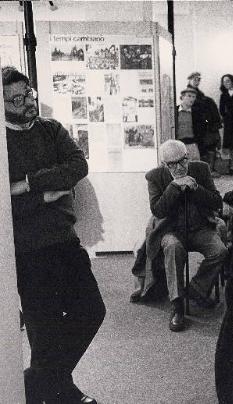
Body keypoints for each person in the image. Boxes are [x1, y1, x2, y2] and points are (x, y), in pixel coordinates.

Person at [3, 66, 105, 404]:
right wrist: (46, 193)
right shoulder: (2, 143)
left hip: (63, 237)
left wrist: (29, 184)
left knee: (92, 310)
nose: (25, 103)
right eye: (14, 100)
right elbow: (5, 206)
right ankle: (61, 390)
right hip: (27, 249)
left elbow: (78, 167)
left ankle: (33, 387)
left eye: (27, 94)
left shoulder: (51, 129)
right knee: (43, 327)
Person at [143, 140, 228, 332]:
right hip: (170, 230)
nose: (179, 167)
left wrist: (196, 188)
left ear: (187, 157)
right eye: (172, 164)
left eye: (182, 161)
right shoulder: (154, 177)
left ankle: (196, 289)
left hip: (200, 228)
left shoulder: (201, 169)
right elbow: (158, 210)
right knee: (173, 247)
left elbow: (216, 202)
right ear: (164, 164)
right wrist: (173, 186)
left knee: (220, 251)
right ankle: (177, 305)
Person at [186, 72, 222, 175]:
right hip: (194, 124)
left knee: (208, 145)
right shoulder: (188, 94)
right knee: (200, 147)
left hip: (203, 125)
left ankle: (208, 169)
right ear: (189, 80)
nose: (197, 81)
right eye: (195, 79)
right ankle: (204, 170)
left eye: (198, 79)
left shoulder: (201, 96)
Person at [175, 87, 202, 161]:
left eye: (193, 97)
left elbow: (201, 128)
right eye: (189, 96)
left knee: (195, 167)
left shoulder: (197, 112)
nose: (192, 99)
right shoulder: (174, 111)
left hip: (192, 144)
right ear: (182, 97)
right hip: (178, 144)